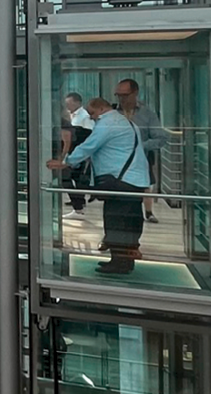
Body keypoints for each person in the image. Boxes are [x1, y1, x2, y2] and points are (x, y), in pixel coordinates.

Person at [48, 97, 150, 274]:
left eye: (93, 113)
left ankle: (120, 263)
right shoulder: (124, 122)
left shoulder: (108, 123)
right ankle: (122, 260)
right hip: (132, 180)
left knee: (116, 220)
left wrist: (66, 161)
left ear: (102, 109)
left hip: (121, 180)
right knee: (129, 220)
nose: (92, 118)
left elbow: (90, 145)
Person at [113, 79, 166, 223]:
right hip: (116, 161)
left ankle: (147, 212)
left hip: (141, 158)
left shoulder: (147, 113)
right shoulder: (112, 112)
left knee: (143, 188)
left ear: (135, 93)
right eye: (118, 95)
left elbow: (160, 138)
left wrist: (139, 146)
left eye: (125, 95)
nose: (121, 99)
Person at [60, 92, 95, 220]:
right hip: (74, 152)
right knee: (72, 178)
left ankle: (78, 205)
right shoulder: (71, 116)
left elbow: (89, 135)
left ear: (77, 102)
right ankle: (78, 203)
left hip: (79, 154)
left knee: (73, 178)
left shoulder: (84, 117)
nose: (67, 106)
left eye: (69, 103)